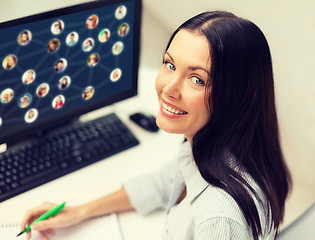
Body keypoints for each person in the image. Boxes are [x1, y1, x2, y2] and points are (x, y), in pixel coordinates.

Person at [20, 11, 291, 240]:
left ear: (239, 94)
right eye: (170, 64)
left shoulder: (218, 219)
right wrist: (81, 211)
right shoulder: (216, 144)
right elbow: (164, 184)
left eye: (197, 79)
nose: (168, 89)